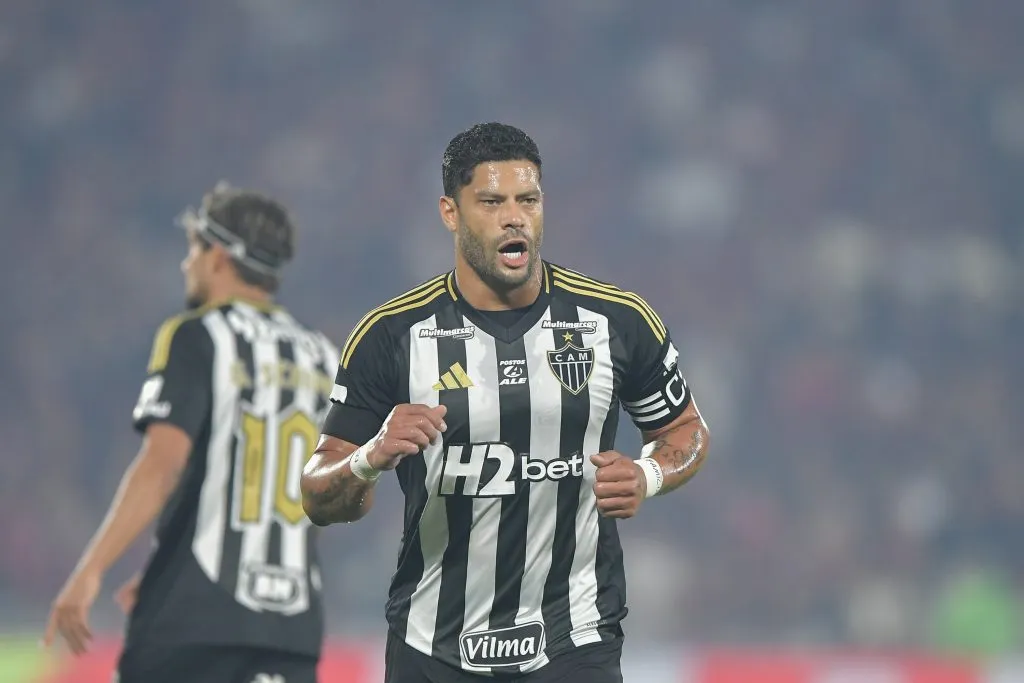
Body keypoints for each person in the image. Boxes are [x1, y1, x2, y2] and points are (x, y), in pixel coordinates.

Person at [301, 122, 711, 682]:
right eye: (491, 202)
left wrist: (648, 475)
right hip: (433, 647)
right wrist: (369, 458)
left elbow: (686, 431)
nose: (514, 217)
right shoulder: (392, 336)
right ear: (451, 212)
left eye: (528, 200)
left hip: (575, 640)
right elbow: (319, 495)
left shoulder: (615, 321)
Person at [44, 184, 338, 683]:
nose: (187, 265)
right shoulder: (324, 357)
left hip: (194, 619)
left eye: (194, 249)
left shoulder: (197, 335)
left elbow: (162, 465)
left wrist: (90, 570)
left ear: (219, 257)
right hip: (292, 627)